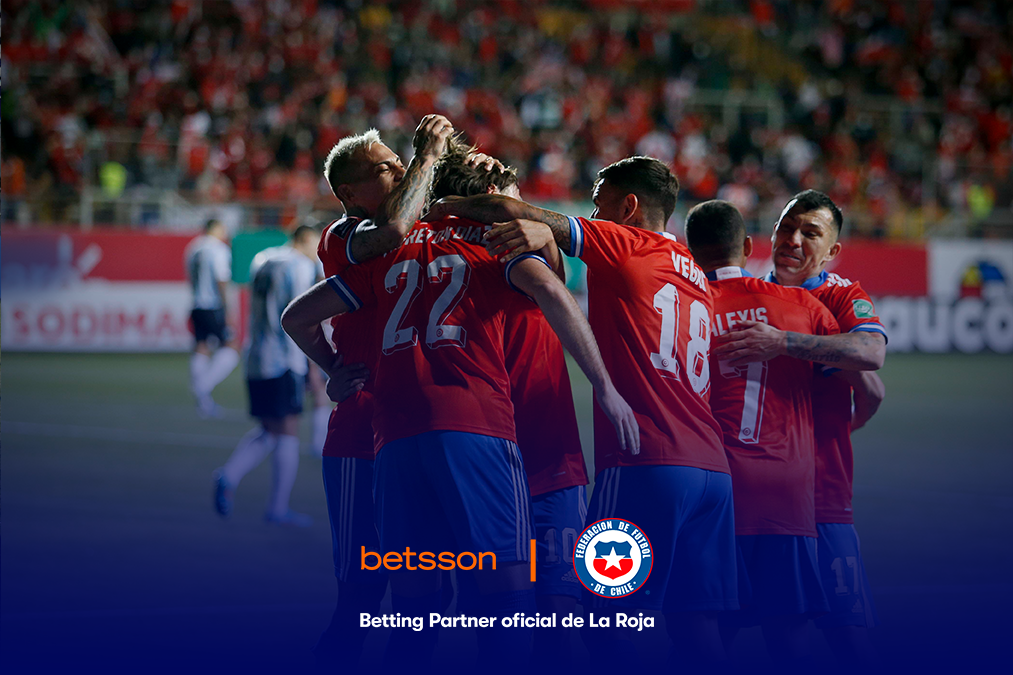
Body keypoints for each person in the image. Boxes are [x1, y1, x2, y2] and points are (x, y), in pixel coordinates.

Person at [282, 210, 638, 673]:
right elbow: (553, 284)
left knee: (424, 609)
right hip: (474, 435)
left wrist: (332, 369)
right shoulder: (476, 246)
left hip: (422, 440)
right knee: (501, 602)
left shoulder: (413, 248)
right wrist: (605, 386)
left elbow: (299, 315)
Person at [426, 156, 738, 670]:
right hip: (713, 473)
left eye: (599, 204)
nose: (593, 214)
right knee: (696, 627)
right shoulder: (692, 271)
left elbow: (514, 210)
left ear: (629, 207)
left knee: (599, 621)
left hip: (647, 460)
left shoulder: (625, 243)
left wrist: (446, 206)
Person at [309, 117, 503, 669]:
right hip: (361, 436)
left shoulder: (425, 229)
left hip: (416, 429)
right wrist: (333, 368)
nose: (400, 170)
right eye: (384, 167)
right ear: (350, 193)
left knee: (431, 595)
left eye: (400, 162)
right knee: (361, 595)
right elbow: (391, 231)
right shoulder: (345, 234)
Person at [428, 138, 589, 668]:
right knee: (500, 617)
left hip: (545, 451)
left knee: (556, 617)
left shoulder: (528, 237)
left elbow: (521, 225)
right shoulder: (462, 244)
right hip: (490, 454)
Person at [711, 190, 887, 669]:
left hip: (822, 495)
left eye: (810, 233)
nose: (793, 240)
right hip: (750, 497)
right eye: (787, 227)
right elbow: (872, 392)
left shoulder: (840, 295)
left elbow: (871, 356)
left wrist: (784, 342)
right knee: (727, 629)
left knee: (844, 635)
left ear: (832, 251)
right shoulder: (751, 290)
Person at [685, 200, 837, 665]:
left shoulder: (683, 305)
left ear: (690, 252)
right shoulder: (801, 305)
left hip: (712, 489)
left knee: (705, 633)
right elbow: (862, 370)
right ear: (749, 247)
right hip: (784, 492)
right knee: (789, 636)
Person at [212, 225, 320, 525]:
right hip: (283, 358)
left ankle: (228, 476)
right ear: (305, 239)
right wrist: (312, 366)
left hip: (256, 355)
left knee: (270, 429)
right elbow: (299, 317)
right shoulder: (300, 266)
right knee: (287, 430)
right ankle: (278, 508)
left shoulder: (263, 259)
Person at [184, 218, 239, 417]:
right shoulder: (218, 249)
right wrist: (228, 310)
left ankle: (204, 402)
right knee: (232, 349)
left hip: (196, 304)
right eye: (222, 228)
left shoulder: (193, 248)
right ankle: (202, 387)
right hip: (213, 305)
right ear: (214, 228)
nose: (225, 231)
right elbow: (221, 280)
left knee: (201, 346)